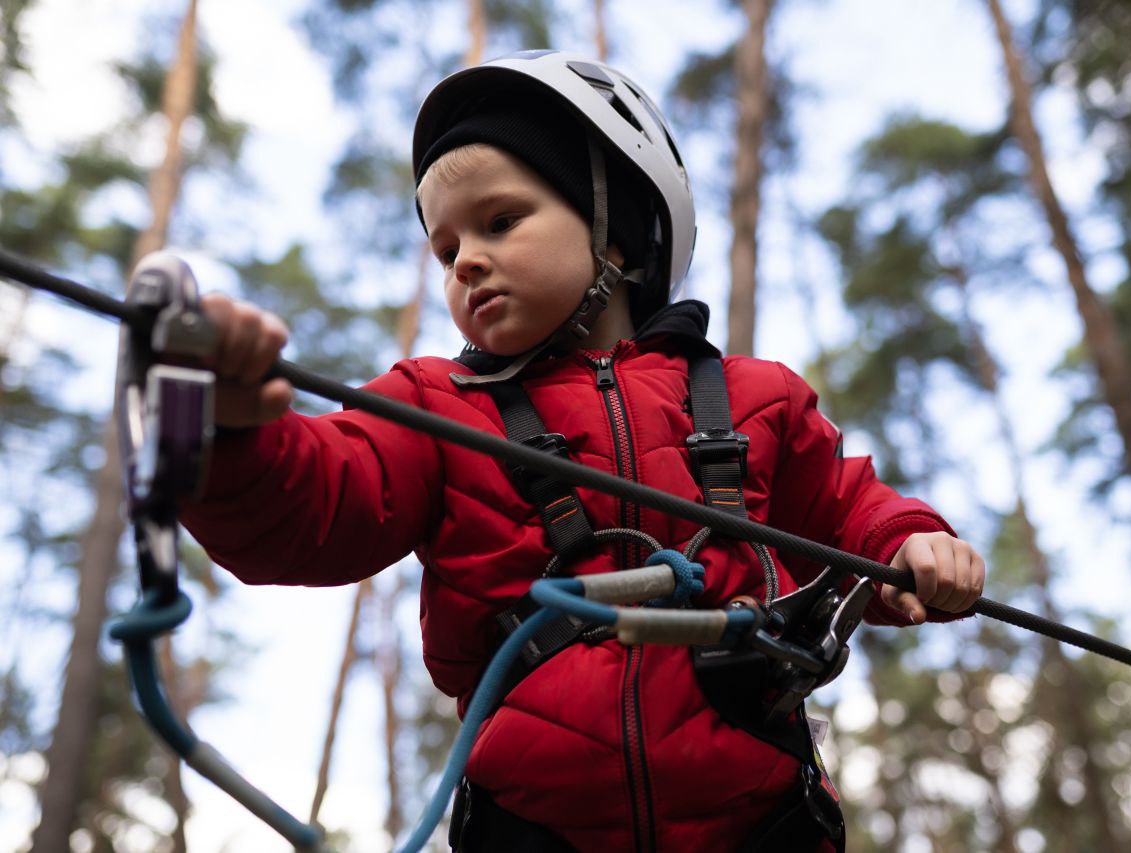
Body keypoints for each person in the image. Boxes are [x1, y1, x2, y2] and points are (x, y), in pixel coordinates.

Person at [181, 51, 986, 852]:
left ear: (621, 239)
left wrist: (909, 543)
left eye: (500, 222)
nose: (465, 260)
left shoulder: (753, 398)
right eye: (445, 247)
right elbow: (319, 502)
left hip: (756, 822)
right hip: (535, 828)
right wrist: (231, 429)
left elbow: (848, 509)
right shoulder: (433, 406)